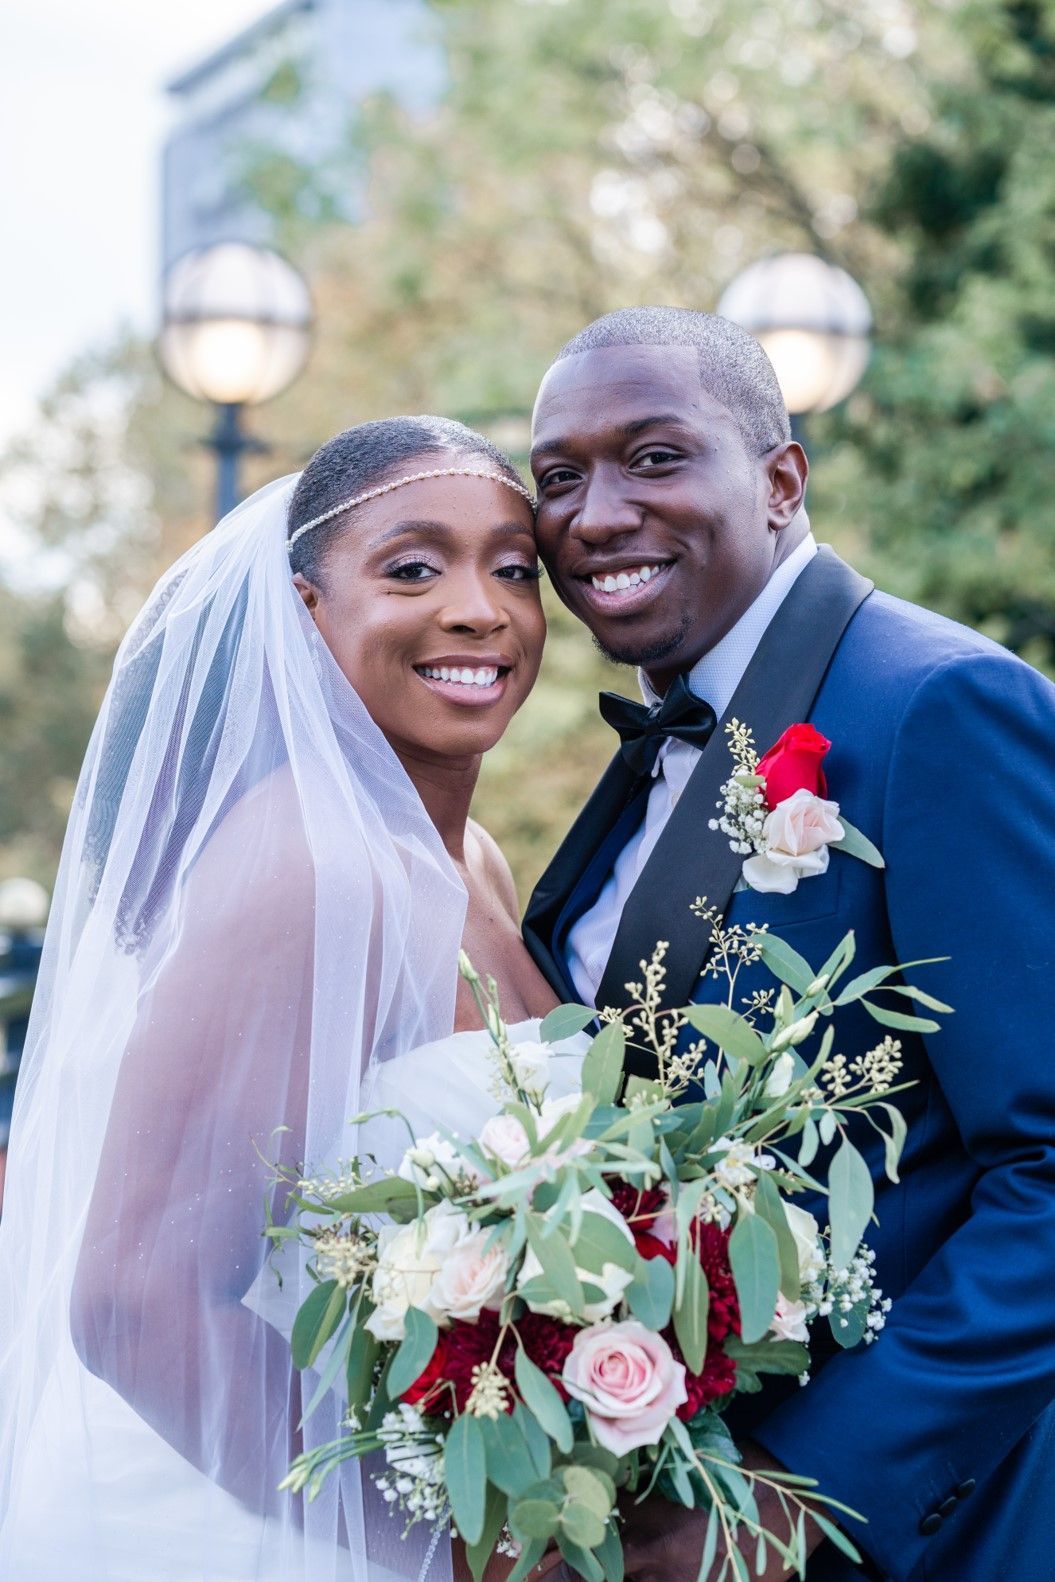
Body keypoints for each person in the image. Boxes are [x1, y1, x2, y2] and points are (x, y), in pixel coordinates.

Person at [523, 307, 1055, 1582]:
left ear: (777, 479)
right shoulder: (660, 750)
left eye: (654, 457)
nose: (594, 514)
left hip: (932, 1533)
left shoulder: (934, 704)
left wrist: (796, 1498)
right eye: (557, 477)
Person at [0, 416, 565, 1582]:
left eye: (512, 566)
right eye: (413, 567)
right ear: (307, 613)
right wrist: (476, 1546)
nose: (478, 607)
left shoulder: (472, 862)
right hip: (264, 1529)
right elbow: (134, 1300)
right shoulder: (312, 867)